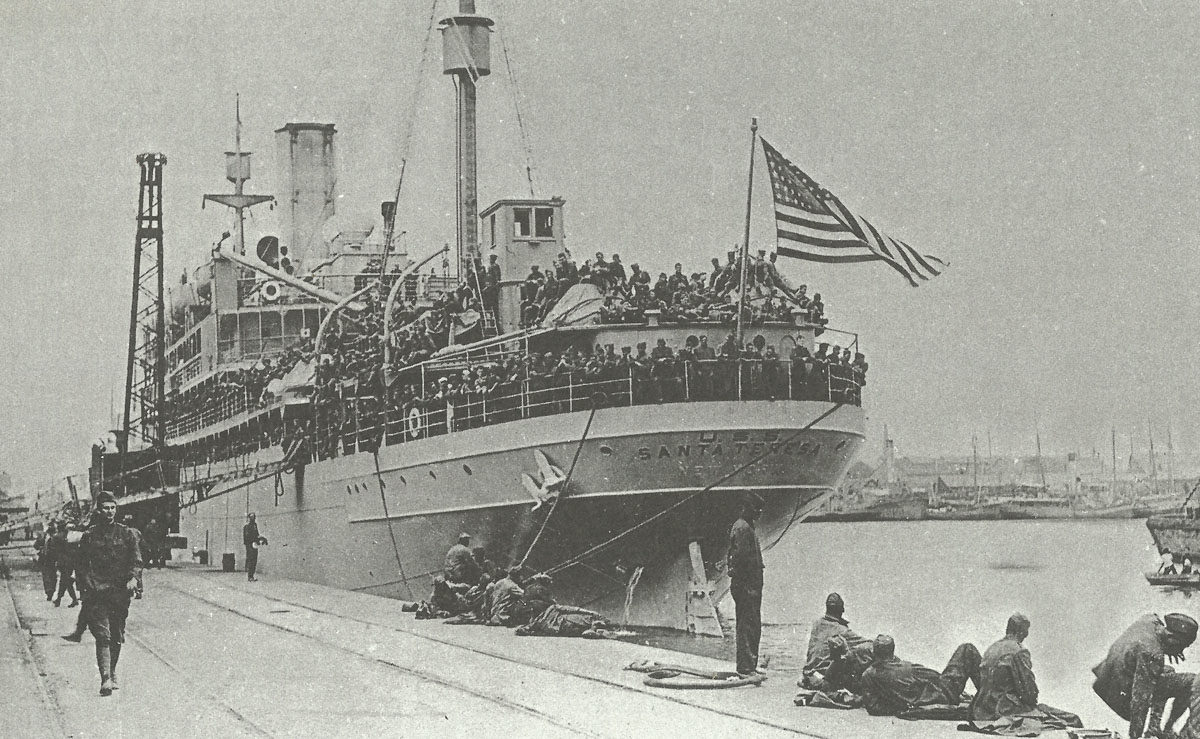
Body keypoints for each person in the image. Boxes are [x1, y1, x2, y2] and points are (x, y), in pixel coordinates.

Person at [1093, 613, 1200, 739]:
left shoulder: (1149, 621)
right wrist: (1135, 736)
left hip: (1107, 679)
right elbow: (1140, 700)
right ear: (1172, 639)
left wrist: (1170, 647)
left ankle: (1154, 727)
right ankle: (1168, 728)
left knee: (1167, 671)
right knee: (1191, 681)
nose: (1181, 651)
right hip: (1119, 695)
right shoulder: (1152, 654)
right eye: (1182, 646)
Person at [77, 491, 142, 696]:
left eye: (113, 507)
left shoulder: (127, 534)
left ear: (116, 509)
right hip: (97, 593)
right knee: (102, 636)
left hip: (120, 593)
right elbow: (81, 564)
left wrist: (133, 578)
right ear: (99, 510)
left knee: (116, 635)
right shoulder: (90, 535)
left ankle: (112, 671)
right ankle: (105, 678)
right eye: (106, 508)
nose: (110, 511)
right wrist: (87, 586)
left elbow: (136, 561)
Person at [971, 614, 1081, 732]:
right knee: (1072, 719)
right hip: (1003, 710)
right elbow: (1029, 691)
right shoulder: (1019, 651)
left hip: (981, 710)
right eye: (1026, 630)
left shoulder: (992, 648)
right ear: (1021, 631)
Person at [858, 634, 981, 716]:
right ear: (893, 649)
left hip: (918, 705)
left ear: (874, 652)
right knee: (967, 649)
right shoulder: (908, 667)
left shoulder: (868, 675)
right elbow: (936, 676)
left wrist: (901, 707)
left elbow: (873, 707)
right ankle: (989, 698)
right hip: (942, 695)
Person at [800, 592, 871, 690]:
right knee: (861, 652)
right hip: (823, 679)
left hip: (809, 676)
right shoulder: (841, 630)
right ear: (841, 610)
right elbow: (870, 645)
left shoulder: (817, 624)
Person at [728, 493, 765, 676]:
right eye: (755, 510)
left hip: (751, 587)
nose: (758, 513)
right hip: (747, 587)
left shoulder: (747, 527)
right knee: (747, 626)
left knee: (752, 626)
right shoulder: (743, 528)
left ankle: (750, 665)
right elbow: (740, 559)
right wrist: (747, 587)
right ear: (746, 509)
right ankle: (745, 667)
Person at [243, 513, 266, 581]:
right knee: (251, 560)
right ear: (249, 518)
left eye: (254, 517)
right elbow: (248, 537)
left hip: (254, 544)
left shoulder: (254, 525)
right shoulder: (247, 527)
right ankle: (250, 576)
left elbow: (257, 534)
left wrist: (260, 539)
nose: (253, 519)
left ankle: (251, 575)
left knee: (254, 560)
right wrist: (255, 540)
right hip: (250, 545)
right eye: (252, 517)